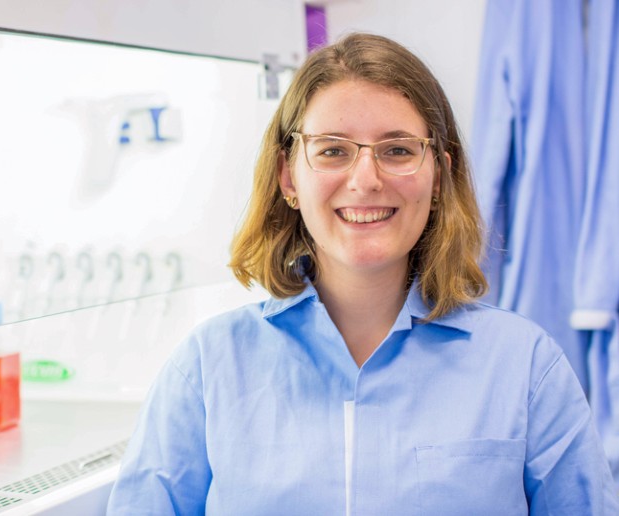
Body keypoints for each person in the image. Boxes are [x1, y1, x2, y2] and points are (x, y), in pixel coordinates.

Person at [106, 32, 619, 515]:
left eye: (397, 150)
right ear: (289, 176)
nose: (366, 179)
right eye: (333, 150)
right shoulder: (206, 369)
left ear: (437, 174)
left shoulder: (525, 367)